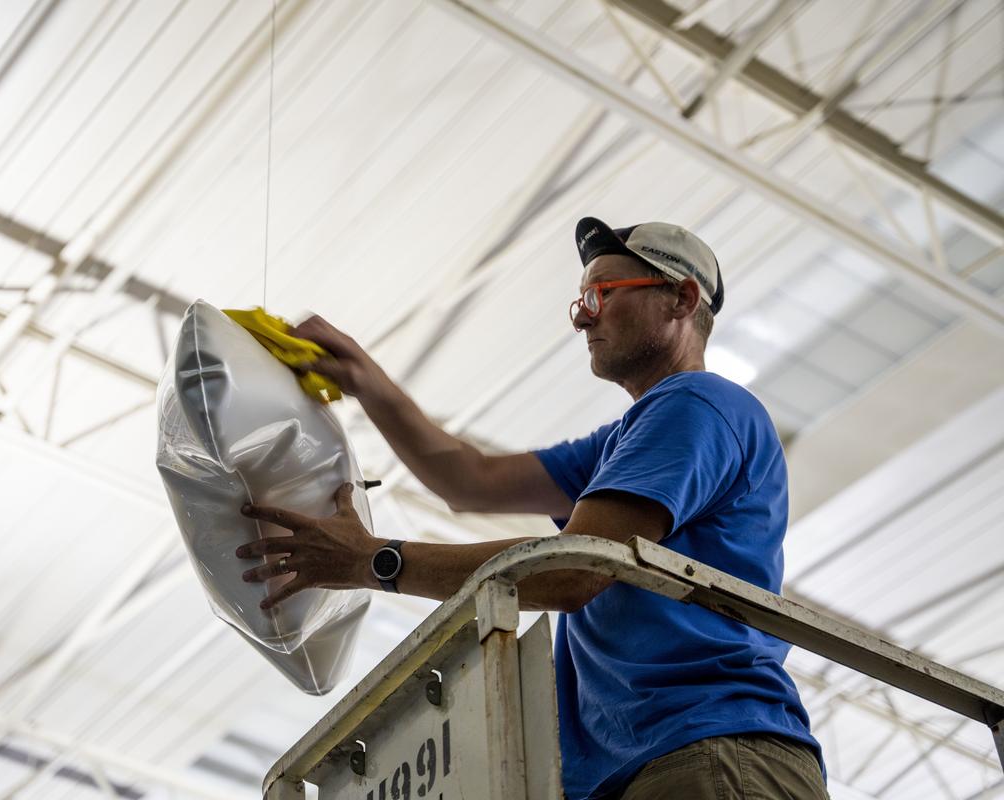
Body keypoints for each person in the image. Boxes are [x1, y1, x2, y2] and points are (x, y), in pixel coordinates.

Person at [235, 217, 828, 799]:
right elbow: (471, 480)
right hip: (648, 763)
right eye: (579, 303)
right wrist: (365, 379)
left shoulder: (698, 403)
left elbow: (573, 570)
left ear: (682, 298)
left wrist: (377, 562)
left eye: (600, 293)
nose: (583, 317)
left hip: (710, 747)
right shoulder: (624, 442)